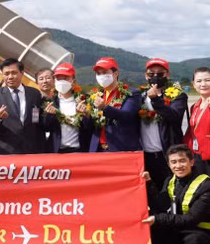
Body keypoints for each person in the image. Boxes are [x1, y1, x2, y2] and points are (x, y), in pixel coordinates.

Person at [144, 144, 210, 244]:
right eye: (173, 162)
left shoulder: (206, 185)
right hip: (181, 229)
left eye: (182, 161)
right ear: (169, 165)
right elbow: (161, 205)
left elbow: (192, 219)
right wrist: (149, 183)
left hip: (202, 234)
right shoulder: (170, 181)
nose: (178, 166)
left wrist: (158, 218)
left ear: (191, 162)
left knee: (194, 240)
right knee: (150, 218)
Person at [139, 58, 188, 189]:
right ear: (145, 76)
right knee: (149, 191)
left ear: (168, 75)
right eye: (151, 74)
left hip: (167, 153)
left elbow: (174, 116)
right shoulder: (141, 96)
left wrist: (155, 100)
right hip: (145, 154)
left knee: (170, 190)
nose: (155, 76)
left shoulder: (178, 96)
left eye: (160, 74)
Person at [0, 58, 50, 155]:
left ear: (22, 73)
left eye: (14, 73)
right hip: (6, 152)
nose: (10, 77)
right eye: (6, 74)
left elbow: (38, 120)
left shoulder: (34, 94)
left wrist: (49, 115)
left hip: (32, 151)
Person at [88, 57, 141, 153]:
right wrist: (86, 115)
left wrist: (105, 108)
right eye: (98, 73)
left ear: (115, 73)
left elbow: (127, 115)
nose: (101, 76)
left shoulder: (130, 93)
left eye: (104, 72)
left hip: (120, 149)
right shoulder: (96, 95)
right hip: (98, 149)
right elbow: (92, 125)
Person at [43, 63, 92, 153]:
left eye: (65, 78)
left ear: (73, 80)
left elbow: (90, 128)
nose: (61, 82)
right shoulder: (50, 102)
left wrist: (87, 115)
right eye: (58, 79)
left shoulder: (84, 100)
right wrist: (49, 115)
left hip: (79, 151)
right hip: (57, 151)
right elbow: (46, 128)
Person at [185, 67, 210, 169]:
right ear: (194, 84)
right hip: (197, 156)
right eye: (199, 81)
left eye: (208, 80)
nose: (203, 84)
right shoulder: (194, 106)